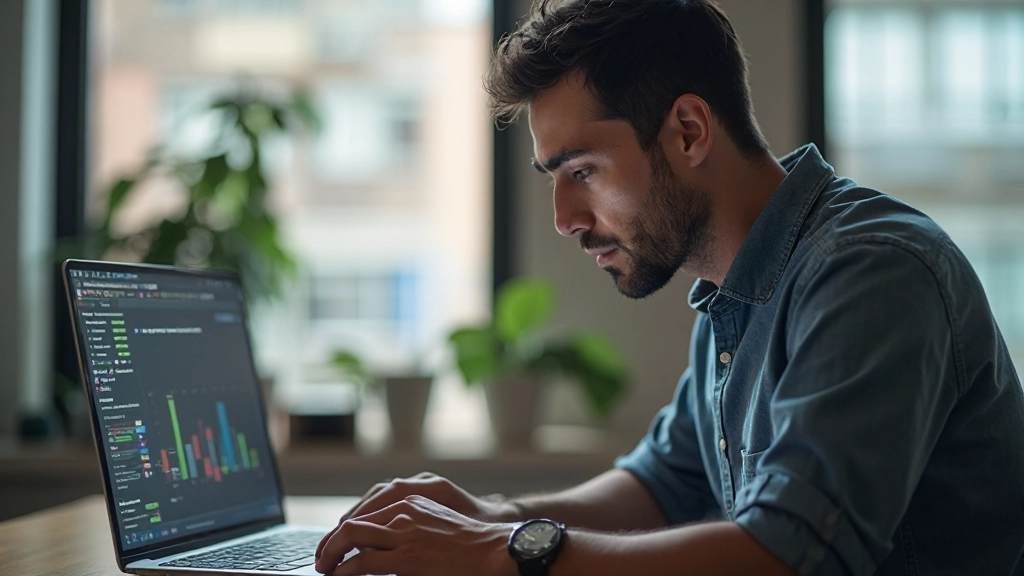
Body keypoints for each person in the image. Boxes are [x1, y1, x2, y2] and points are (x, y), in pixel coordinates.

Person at [314, 0, 1024, 574]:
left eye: (582, 171)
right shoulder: (735, 292)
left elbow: (793, 553)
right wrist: (491, 516)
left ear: (688, 131)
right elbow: (663, 484)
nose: (565, 220)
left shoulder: (871, 270)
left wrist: (502, 553)